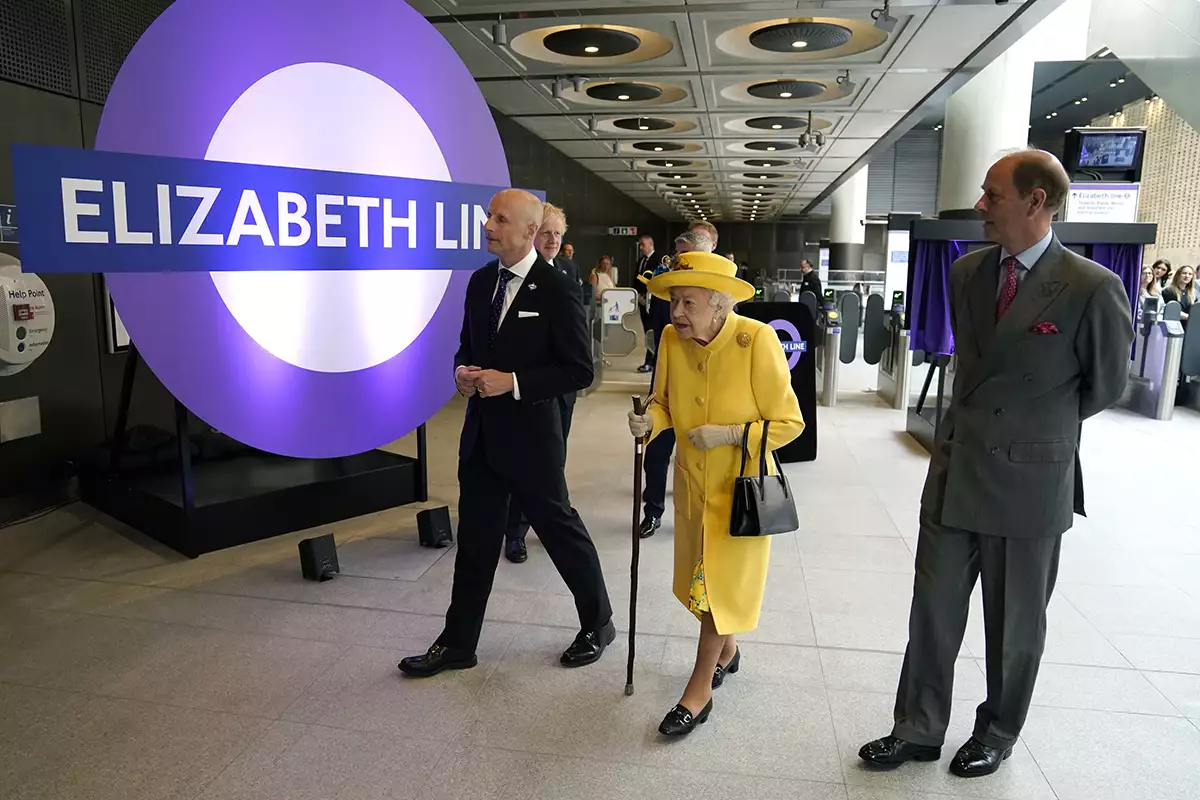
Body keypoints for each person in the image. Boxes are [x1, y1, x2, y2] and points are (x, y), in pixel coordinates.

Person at [859, 149, 1133, 778]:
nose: (980, 206)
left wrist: (1036, 433)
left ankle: (999, 731)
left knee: (1014, 627)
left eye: (993, 196)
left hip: (1030, 482)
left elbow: (1105, 386)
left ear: (1037, 202)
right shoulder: (967, 272)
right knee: (932, 611)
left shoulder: (1093, 287)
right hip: (957, 471)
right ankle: (917, 728)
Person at [399, 190, 615, 678]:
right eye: (488, 216)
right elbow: (465, 347)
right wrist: (462, 373)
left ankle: (598, 623)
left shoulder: (556, 288)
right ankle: (458, 643)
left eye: (500, 218)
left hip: (533, 439)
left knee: (559, 531)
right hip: (481, 435)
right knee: (475, 539)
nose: (488, 225)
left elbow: (579, 370)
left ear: (529, 231)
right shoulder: (479, 283)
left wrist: (513, 382)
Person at [626, 251, 804, 736]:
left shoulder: (755, 340)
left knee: (717, 591)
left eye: (688, 303)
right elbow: (662, 401)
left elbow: (790, 424)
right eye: (672, 302)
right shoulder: (668, 339)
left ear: (720, 306)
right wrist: (649, 422)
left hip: (740, 494)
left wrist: (729, 434)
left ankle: (698, 688)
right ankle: (729, 651)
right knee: (701, 587)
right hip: (691, 486)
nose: (676, 313)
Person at [504, 203, 580, 564]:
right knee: (523, 463)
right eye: (546, 233)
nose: (552, 240)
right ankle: (515, 531)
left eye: (558, 234)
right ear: (533, 233)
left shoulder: (567, 272)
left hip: (562, 392)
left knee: (553, 461)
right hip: (526, 392)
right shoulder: (516, 278)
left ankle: (549, 524)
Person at [639, 225, 717, 539]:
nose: (680, 264)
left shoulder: (723, 295)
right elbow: (659, 330)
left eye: (688, 257)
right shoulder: (667, 290)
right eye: (679, 257)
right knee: (656, 451)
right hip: (669, 382)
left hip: (710, 388)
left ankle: (707, 515)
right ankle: (653, 511)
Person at [636, 235, 663, 373]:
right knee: (647, 331)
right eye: (640, 245)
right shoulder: (641, 261)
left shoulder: (658, 260)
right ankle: (649, 360)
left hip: (653, 301)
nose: (641, 247)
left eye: (643, 245)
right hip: (641, 301)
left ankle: (651, 361)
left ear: (651, 244)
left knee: (652, 331)